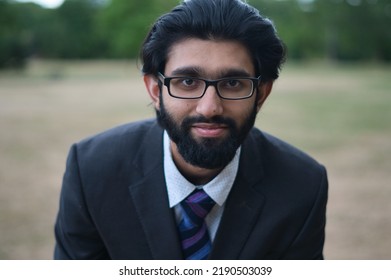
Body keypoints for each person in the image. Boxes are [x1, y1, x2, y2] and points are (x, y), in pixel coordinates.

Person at [54, 0, 328, 260]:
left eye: (233, 83)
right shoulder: (92, 170)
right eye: (187, 81)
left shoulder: (302, 186)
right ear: (155, 89)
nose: (209, 108)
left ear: (261, 94)